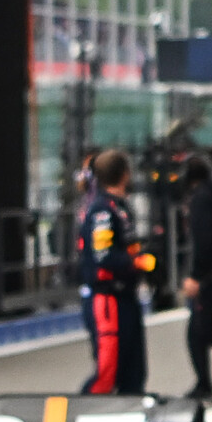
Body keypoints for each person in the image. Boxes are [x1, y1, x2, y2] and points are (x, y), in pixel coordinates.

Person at [73, 148, 152, 396]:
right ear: (124, 174)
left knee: (134, 371)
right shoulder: (102, 211)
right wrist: (137, 262)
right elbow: (103, 256)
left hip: (126, 297)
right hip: (106, 300)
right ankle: (75, 420)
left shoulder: (120, 207)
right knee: (108, 373)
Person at [173, 152, 212, 402]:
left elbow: (203, 240)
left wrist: (196, 275)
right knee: (201, 329)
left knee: (200, 329)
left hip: (209, 275)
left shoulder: (202, 200)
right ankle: (205, 381)